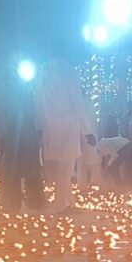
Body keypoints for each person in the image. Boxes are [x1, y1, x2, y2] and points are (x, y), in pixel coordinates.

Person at [38, 55, 94, 214]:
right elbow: (77, 103)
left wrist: (40, 126)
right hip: (67, 125)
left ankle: (66, 200)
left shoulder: (44, 73)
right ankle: (61, 204)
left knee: (59, 168)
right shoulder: (69, 72)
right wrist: (87, 131)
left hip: (50, 126)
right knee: (66, 167)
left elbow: (39, 102)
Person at [0, 77, 42, 212]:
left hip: (17, 135)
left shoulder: (5, 95)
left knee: (15, 171)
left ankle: (15, 202)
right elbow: (35, 114)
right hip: (22, 135)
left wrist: (2, 136)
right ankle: (33, 202)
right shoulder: (27, 94)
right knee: (28, 170)